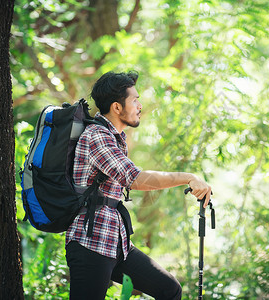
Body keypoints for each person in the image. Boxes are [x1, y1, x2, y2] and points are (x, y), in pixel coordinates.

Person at [65, 70, 212, 300]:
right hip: (90, 244)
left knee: (169, 289)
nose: (139, 105)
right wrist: (187, 177)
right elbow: (134, 178)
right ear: (117, 107)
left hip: (115, 243)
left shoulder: (115, 138)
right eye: (135, 99)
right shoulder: (97, 136)